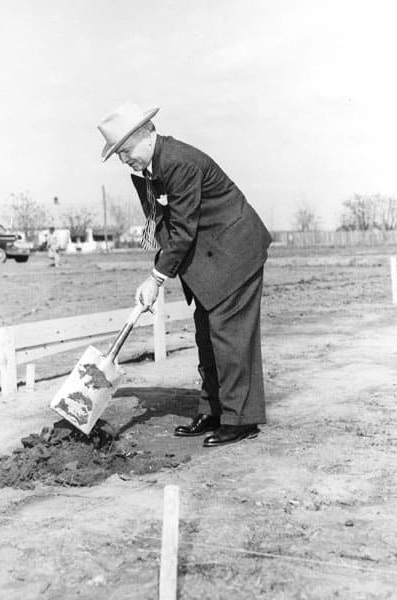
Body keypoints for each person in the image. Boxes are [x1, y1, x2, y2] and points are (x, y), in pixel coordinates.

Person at [97, 102, 272, 447]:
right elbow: (170, 226)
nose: (124, 160)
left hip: (234, 252)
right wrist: (157, 273)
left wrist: (156, 277)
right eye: (119, 155)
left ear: (146, 136)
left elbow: (183, 229)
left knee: (230, 338)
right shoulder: (152, 168)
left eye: (125, 151)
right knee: (207, 336)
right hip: (210, 257)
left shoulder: (178, 161)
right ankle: (214, 411)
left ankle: (241, 421)